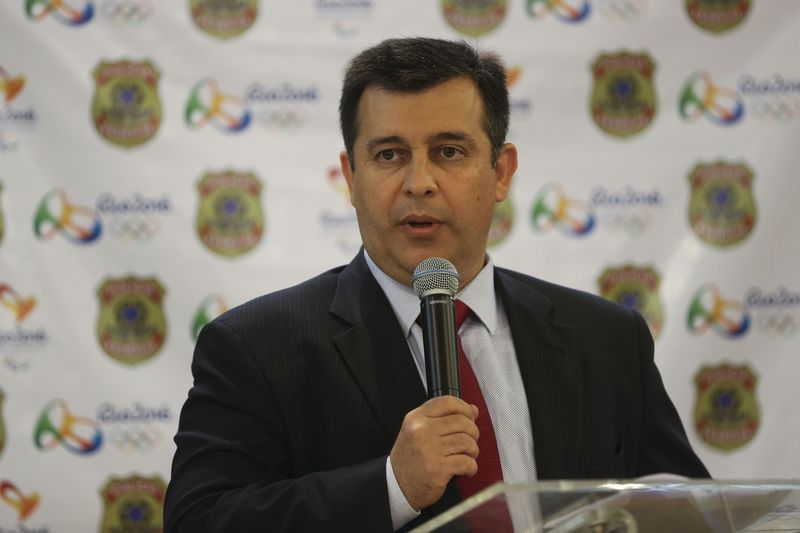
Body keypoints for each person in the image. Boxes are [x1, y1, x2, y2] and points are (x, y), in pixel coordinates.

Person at [164, 37, 709, 532]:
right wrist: (391, 487)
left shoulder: (607, 338)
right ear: (351, 177)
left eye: (449, 151)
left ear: (501, 171)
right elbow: (200, 521)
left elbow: (691, 512)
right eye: (389, 155)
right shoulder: (256, 347)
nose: (419, 183)